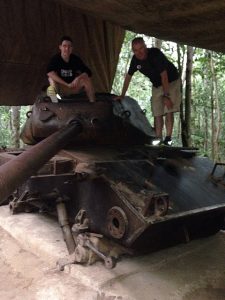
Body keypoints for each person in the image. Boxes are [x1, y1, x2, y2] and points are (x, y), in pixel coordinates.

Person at [115, 37, 181, 145]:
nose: (139, 52)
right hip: (156, 84)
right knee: (157, 112)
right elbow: (128, 76)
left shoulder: (155, 54)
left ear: (145, 47)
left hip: (171, 81)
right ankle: (158, 139)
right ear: (133, 51)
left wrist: (166, 96)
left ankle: (168, 138)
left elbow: (164, 76)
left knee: (168, 109)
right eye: (135, 50)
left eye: (141, 48)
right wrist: (122, 95)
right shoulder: (135, 60)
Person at [47, 36, 95, 102]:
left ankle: (92, 102)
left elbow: (88, 72)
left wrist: (78, 78)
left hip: (72, 87)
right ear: (60, 47)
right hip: (61, 88)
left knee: (86, 79)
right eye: (64, 46)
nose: (67, 48)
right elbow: (49, 72)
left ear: (72, 48)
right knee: (51, 79)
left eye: (69, 46)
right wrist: (66, 84)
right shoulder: (55, 59)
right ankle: (54, 102)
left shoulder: (75, 59)